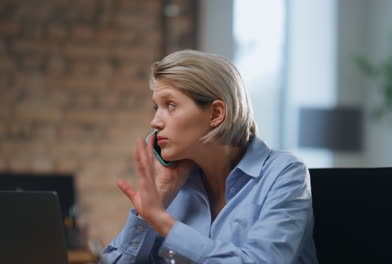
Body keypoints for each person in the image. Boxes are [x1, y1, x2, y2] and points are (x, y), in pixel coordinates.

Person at [100, 50, 318, 264]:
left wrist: (162, 222)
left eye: (171, 105)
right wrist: (160, 196)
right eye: (157, 107)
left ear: (215, 114)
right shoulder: (176, 185)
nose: (155, 122)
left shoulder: (285, 173)